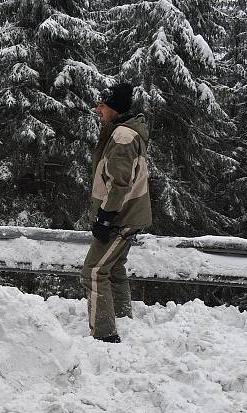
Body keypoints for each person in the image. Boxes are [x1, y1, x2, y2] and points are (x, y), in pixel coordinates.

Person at [81, 82, 152, 343]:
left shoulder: (122, 137)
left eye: (103, 104)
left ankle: (104, 334)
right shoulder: (122, 132)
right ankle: (122, 319)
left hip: (120, 218)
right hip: (129, 215)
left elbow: (118, 182)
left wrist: (105, 217)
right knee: (114, 268)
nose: (98, 108)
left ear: (115, 107)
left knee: (94, 271)